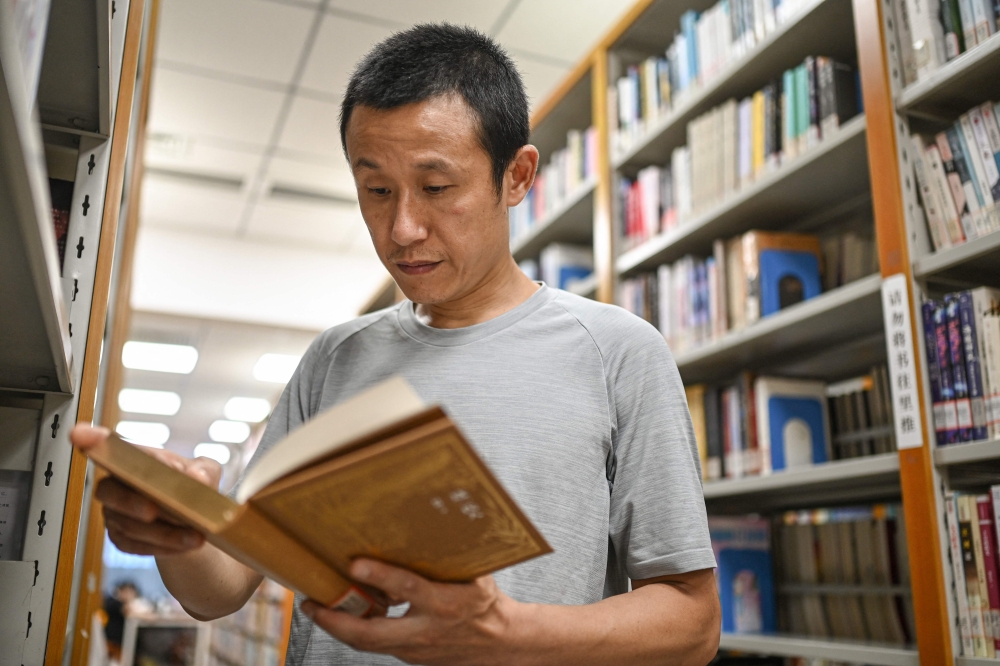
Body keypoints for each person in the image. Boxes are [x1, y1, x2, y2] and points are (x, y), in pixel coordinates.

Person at [71, 23, 720, 666]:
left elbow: (692, 624)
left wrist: (504, 634)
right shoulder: (333, 358)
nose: (403, 228)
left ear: (517, 176)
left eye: (437, 188)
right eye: (376, 190)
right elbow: (223, 592)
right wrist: (178, 536)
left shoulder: (617, 351)